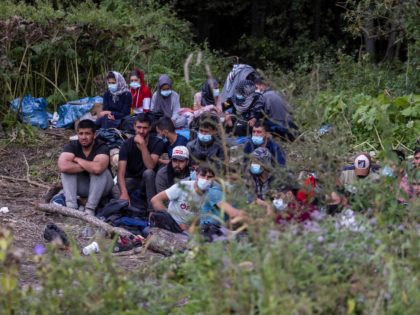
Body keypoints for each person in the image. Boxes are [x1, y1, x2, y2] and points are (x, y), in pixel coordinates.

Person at [56, 120, 113, 216]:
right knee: (67, 171)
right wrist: (90, 166)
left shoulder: (102, 147)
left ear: (94, 135)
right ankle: (71, 207)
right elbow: (63, 166)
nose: (83, 137)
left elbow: (97, 169)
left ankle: (90, 209)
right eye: (81, 134)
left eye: (87, 134)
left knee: (99, 172)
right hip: (83, 186)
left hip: (102, 187)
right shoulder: (72, 145)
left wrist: (78, 159)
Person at [116, 113, 165, 210]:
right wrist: (124, 193)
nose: (141, 131)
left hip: (148, 181)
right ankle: (134, 207)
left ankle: (151, 211)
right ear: (134, 126)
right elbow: (120, 173)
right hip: (131, 179)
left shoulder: (157, 143)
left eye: (145, 128)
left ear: (150, 128)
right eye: (139, 127)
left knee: (149, 173)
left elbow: (150, 166)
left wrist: (143, 145)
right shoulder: (126, 145)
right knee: (116, 192)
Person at [151, 165, 216, 230]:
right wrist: (170, 222)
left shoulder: (212, 195)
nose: (205, 179)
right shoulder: (182, 186)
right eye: (203, 175)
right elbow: (155, 200)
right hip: (170, 226)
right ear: (197, 174)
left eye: (209, 177)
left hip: (189, 232)